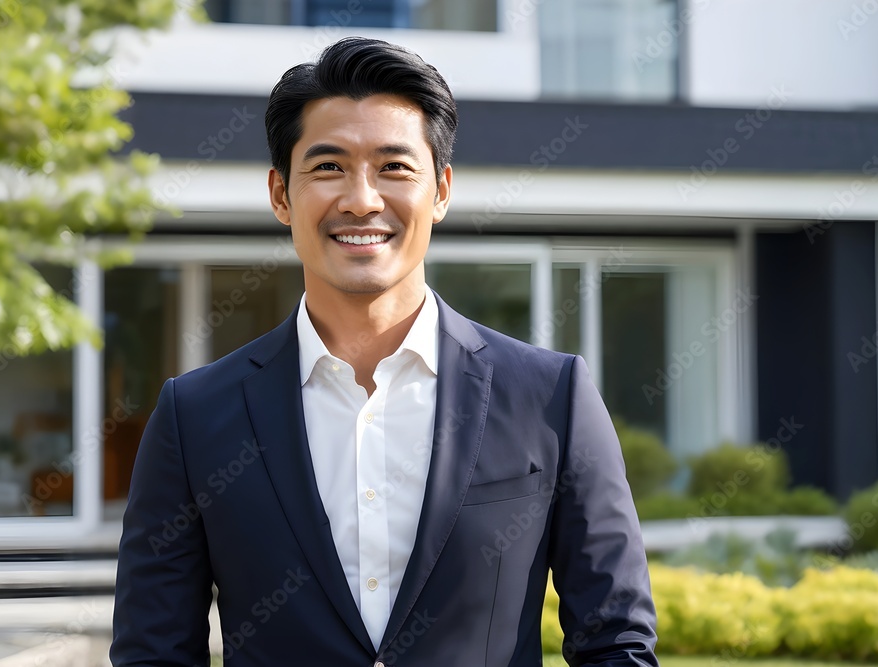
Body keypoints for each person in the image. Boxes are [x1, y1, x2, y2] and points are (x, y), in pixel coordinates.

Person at [110, 36, 658, 666]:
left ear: (442, 190)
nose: (362, 199)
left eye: (394, 167)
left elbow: (616, 642)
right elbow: (153, 653)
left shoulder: (549, 397)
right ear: (281, 195)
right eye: (328, 167)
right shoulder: (195, 414)